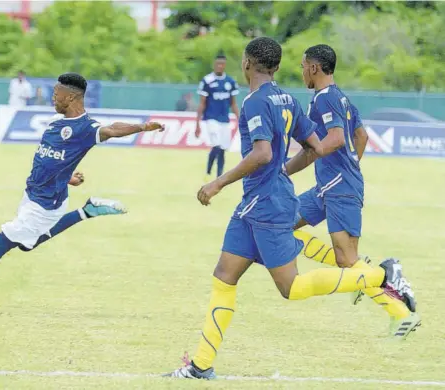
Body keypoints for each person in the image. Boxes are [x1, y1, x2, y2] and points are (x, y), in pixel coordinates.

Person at [166, 37, 416, 380]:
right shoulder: (288, 98)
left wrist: (217, 182)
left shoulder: (255, 102)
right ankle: (201, 366)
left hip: (268, 204)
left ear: (247, 63)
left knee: (291, 288)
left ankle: (379, 275)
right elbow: (315, 146)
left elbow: (263, 153)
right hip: (256, 203)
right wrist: (283, 170)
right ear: (277, 66)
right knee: (224, 276)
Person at [0, 73, 165, 310]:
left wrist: (143, 126)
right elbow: (52, 158)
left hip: (43, 206)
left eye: (56, 94)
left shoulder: (85, 128)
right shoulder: (56, 123)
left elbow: (112, 129)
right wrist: (67, 177)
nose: (53, 98)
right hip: (33, 196)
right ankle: (87, 211)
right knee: (28, 245)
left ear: (71, 98)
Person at [285, 44, 420, 338]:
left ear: (314, 68)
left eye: (302, 66)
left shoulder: (325, 100)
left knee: (347, 260)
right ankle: (364, 275)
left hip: (340, 188)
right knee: (281, 222)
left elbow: (333, 140)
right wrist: (347, 166)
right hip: (328, 187)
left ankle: (387, 277)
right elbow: (361, 135)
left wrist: (296, 164)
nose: (301, 72)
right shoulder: (341, 99)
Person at [195, 53, 240, 179]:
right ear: (214, 65)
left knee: (223, 148)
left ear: (225, 65)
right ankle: (209, 171)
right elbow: (202, 103)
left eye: (222, 64)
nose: (220, 66)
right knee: (217, 145)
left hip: (224, 120)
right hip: (211, 119)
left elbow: (233, 104)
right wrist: (197, 124)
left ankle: (219, 175)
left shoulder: (230, 82)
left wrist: (240, 119)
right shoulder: (207, 81)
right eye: (217, 64)